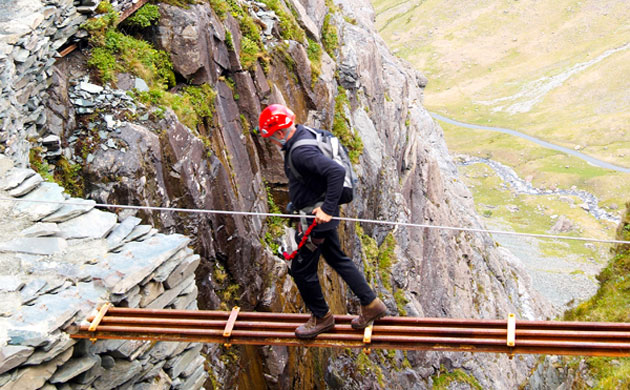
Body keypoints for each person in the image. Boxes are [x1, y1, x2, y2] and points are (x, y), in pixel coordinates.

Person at [258, 103, 387, 339]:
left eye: (270, 138)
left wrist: (326, 209)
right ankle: (371, 304)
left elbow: (335, 173)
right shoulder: (303, 134)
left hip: (316, 220)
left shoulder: (300, 152)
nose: (271, 142)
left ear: (279, 132)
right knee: (338, 259)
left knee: (300, 269)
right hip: (316, 215)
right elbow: (312, 179)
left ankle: (322, 318)